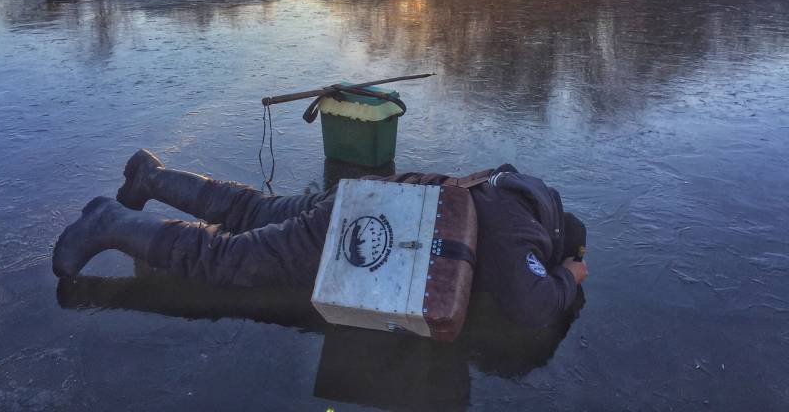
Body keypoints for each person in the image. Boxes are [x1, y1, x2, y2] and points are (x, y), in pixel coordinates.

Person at [53, 149, 589, 329]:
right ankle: (111, 222)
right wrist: (570, 274)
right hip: (354, 230)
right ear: (554, 234)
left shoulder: (504, 188)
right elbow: (531, 302)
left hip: (361, 199)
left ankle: (151, 176)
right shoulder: (526, 229)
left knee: (251, 210)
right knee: (229, 258)